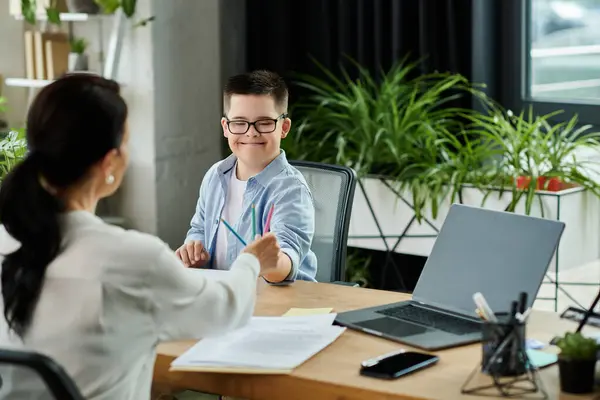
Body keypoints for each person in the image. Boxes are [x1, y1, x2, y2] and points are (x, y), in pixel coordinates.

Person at [0, 73, 280, 400]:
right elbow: (225, 311)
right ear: (111, 162)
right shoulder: (131, 258)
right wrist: (250, 262)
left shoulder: (7, 239)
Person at [176, 70, 317, 283]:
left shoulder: (290, 189)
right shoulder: (215, 176)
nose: (251, 132)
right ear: (226, 127)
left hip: (278, 303)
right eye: (239, 122)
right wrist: (194, 250)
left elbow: (287, 259)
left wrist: (270, 261)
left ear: (284, 127)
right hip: (225, 298)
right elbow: (199, 229)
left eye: (264, 122)